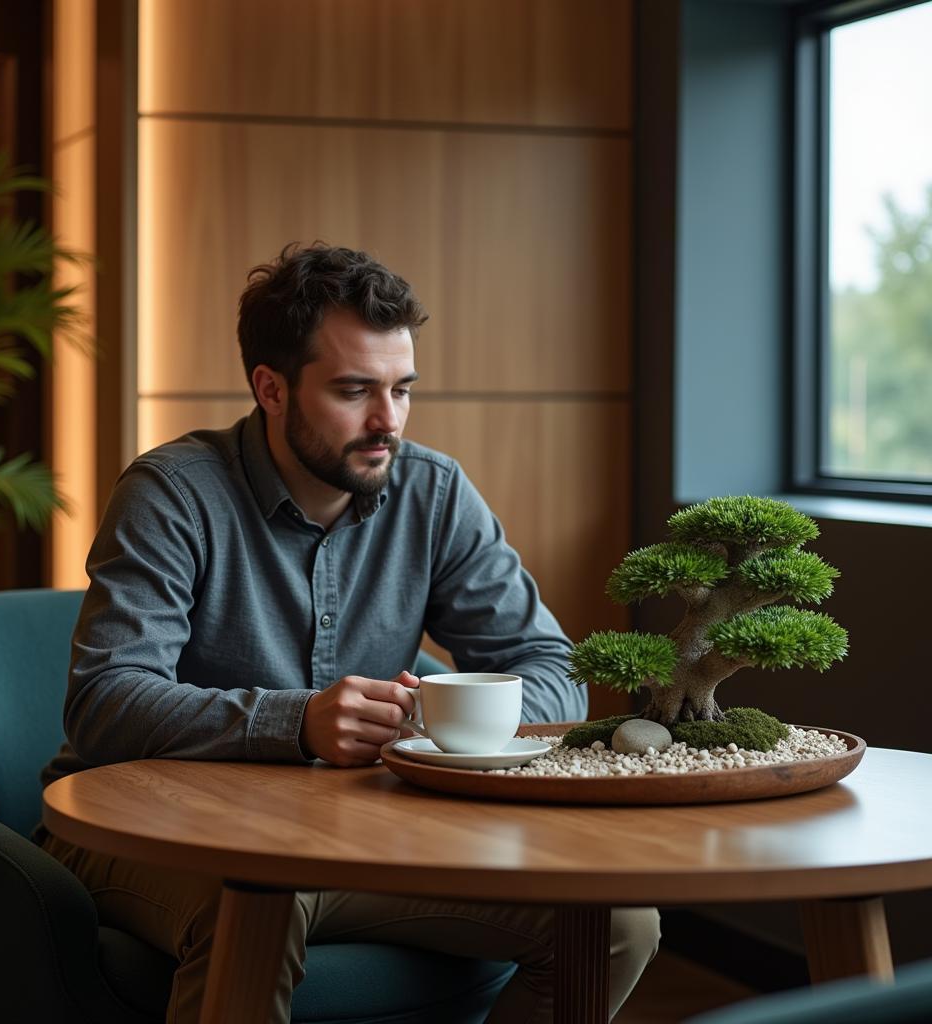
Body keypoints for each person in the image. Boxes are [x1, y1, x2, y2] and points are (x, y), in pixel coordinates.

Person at [38, 243, 660, 1023]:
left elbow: (549, 664)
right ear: (270, 388)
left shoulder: (433, 493)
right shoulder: (171, 495)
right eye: (354, 391)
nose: (387, 421)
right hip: (151, 830)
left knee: (615, 927)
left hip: (355, 835)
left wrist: (443, 717)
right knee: (258, 901)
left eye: (402, 390)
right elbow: (104, 704)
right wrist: (296, 721)